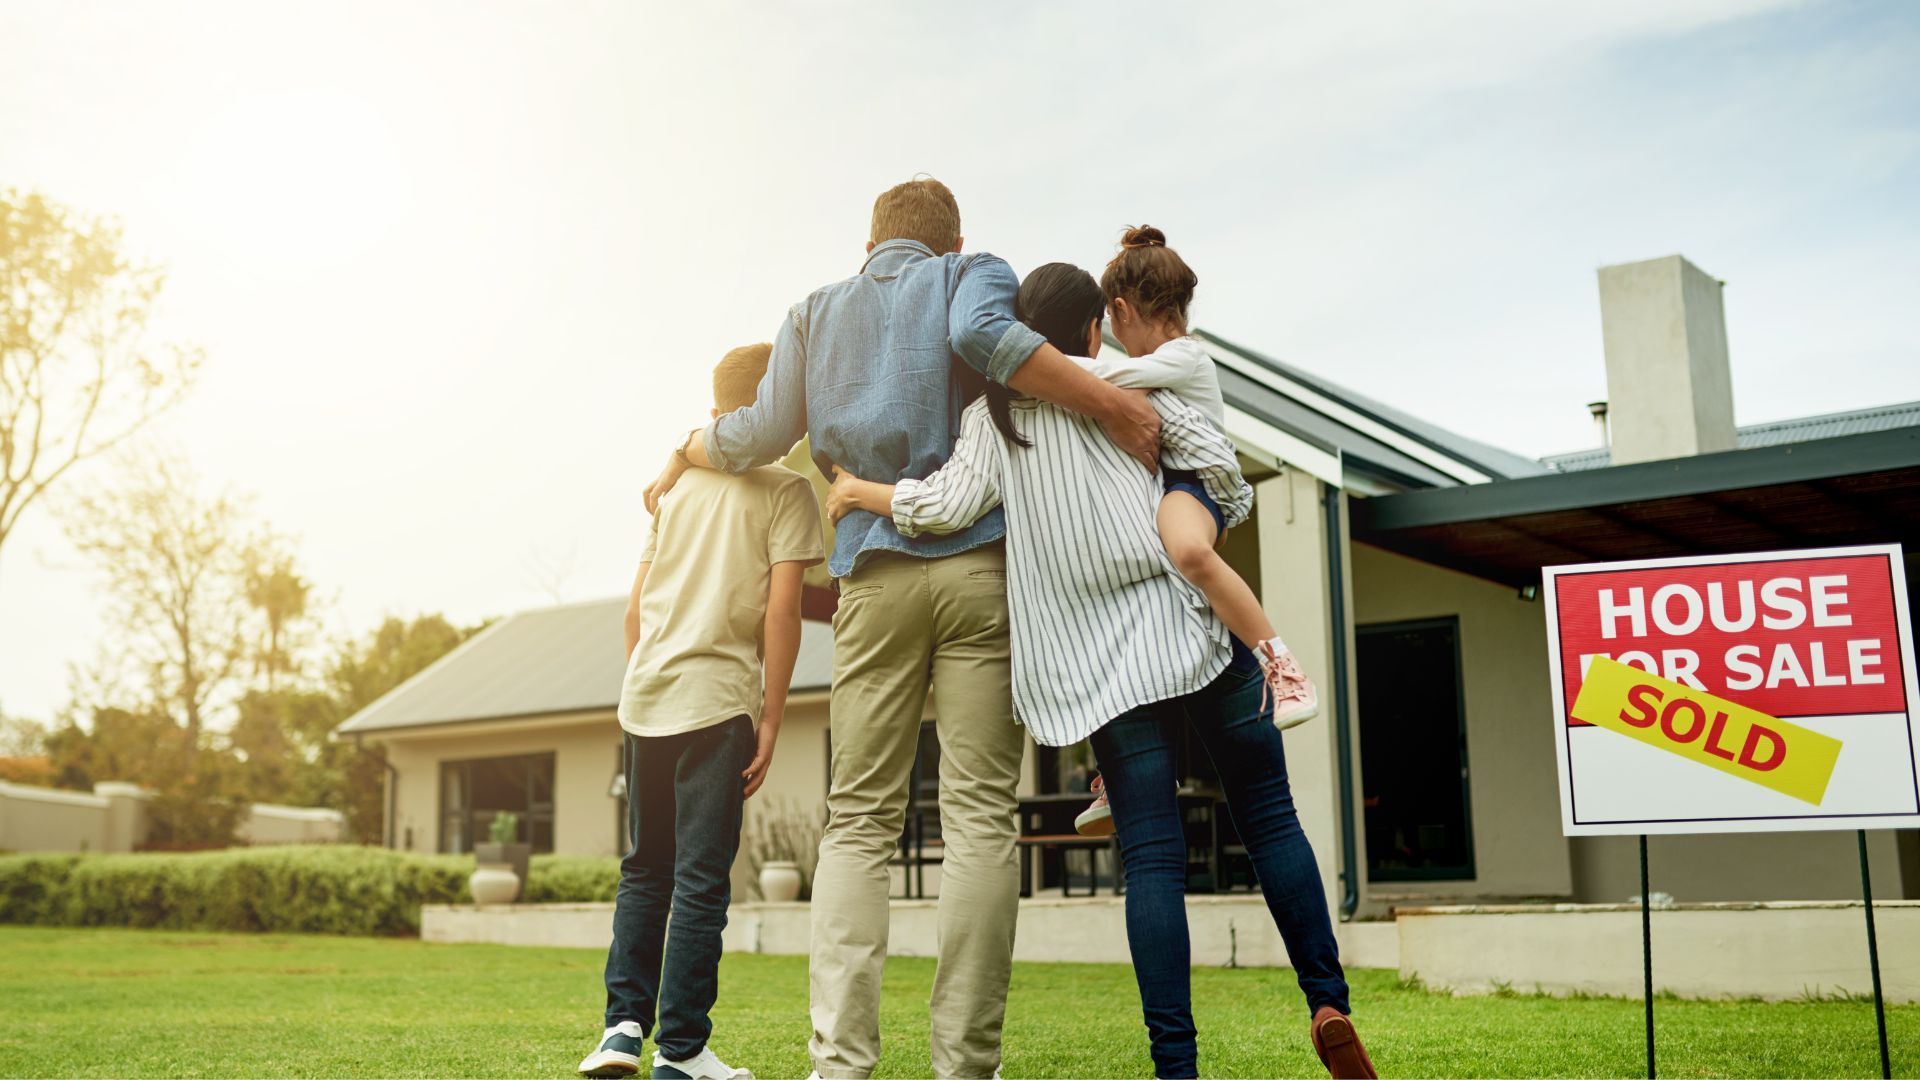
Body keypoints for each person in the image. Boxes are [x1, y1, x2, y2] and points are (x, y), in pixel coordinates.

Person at [640, 178, 1162, 1080]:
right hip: (978, 572)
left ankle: (840, 1064)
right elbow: (984, 341)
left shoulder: (815, 310)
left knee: (858, 825)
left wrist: (690, 443)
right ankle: (966, 1066)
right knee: (978, 819)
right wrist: (1112, 403)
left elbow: (759, 432)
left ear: (870, 243)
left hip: (873, 577)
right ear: (951, 238)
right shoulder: (971, 273)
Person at [826, 263, 1376, 1080]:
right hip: (1189, 633)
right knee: (1269, 819)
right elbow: (1219, 470)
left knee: (1152, 858)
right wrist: (1194, 510)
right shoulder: (1124, 385)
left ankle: (1175, 1066)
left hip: (1104, 673)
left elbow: (942, 506)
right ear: (1093, 329)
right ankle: (1327, 1001)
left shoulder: (994, 415)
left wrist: (857, 492)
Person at [578, 343, 824, 1080]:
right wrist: (772, 715)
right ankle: (681, 1052)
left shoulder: (672, 491)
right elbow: (783, 613)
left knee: (645, 869)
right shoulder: (786, 491)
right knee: (699, 878)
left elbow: (632, 614)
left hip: (646, 697)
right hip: (716, 704)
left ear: (717, 414)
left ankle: (621, 1030)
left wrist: (649, 681)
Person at [1068, 226, 1317, 838]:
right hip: (1168, 491)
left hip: (1194, 487)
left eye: (1111, 320)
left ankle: (1281, 664)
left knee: (1184, 550)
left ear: (1122, 311)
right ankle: (1114, 771)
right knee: (1147, 622)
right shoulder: (1162, 360)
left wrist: (1029, 363)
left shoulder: (1184, 356)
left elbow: (1105, 383)